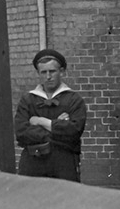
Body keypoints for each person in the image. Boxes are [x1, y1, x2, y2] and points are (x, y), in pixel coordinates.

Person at [16, 48, 85, 181]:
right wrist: (58, 127)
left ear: (62, 71)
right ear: (38, 73)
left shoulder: (74, 100)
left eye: (52, 71)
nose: (48, 77)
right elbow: (21, 132)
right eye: (43, 72)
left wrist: (42, 122)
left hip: (63, 163)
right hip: (32, 162)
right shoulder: (28, 100)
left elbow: (74, 131)